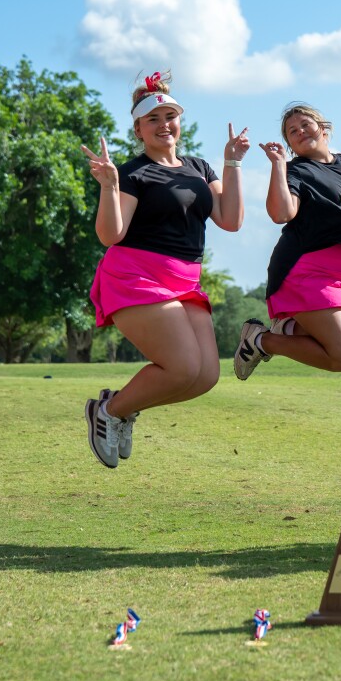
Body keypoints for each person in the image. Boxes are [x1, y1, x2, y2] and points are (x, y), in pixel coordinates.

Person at [80, 70, 250, 468]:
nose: (163, 125)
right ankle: (107, 413)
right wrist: (108, 185)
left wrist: (232, 163)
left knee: (204, 376)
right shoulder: (133, 173)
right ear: (138, 129)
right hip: (136, 276)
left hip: (185, 280)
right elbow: (110, 234)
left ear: (180, 121)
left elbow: (231, 219)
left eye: (169, 116)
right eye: (152, 120)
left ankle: (119, 408)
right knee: (183, 366)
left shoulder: (200, 168)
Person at [233, 103, 341, 379]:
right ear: (290, 144)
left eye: (305, 124)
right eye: (292, 131)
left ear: (323, 128)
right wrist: (278, 166)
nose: (300, 131)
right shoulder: (296, 171)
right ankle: (260, 341)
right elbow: (282, 214)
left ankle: (289, 328)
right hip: (306, 272)